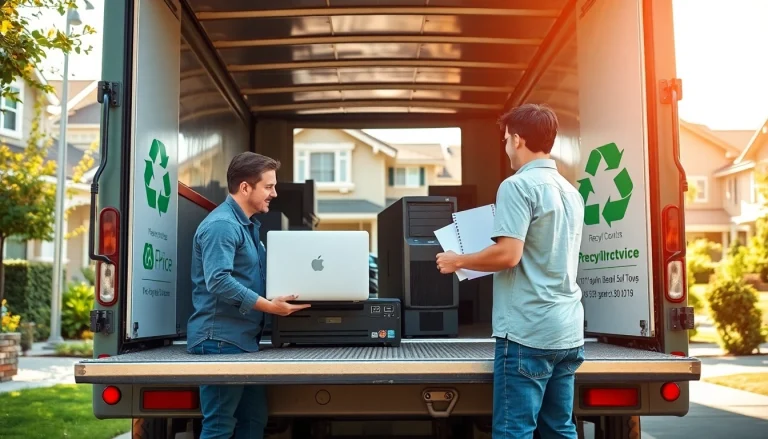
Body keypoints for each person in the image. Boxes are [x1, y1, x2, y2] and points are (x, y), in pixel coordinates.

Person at [436, 103, 585, 438]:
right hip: (567, 330)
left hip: (526, 332)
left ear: (518, 140)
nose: (506, 148)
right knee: (560, 429)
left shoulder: (517, 186)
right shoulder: (571, 193)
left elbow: (508, 255)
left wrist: (457, 260)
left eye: (506, 140)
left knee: (513, 431)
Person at [187, 152, 310, 439]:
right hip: (219, 341)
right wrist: (270, 307)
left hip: (242, 342)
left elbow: (260, 272)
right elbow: (218, 280)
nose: (274, 193)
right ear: (245, 188)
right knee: (219, 426)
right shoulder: (222, 226)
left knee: (254, 421)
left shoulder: (247, 225)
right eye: (268, 186)